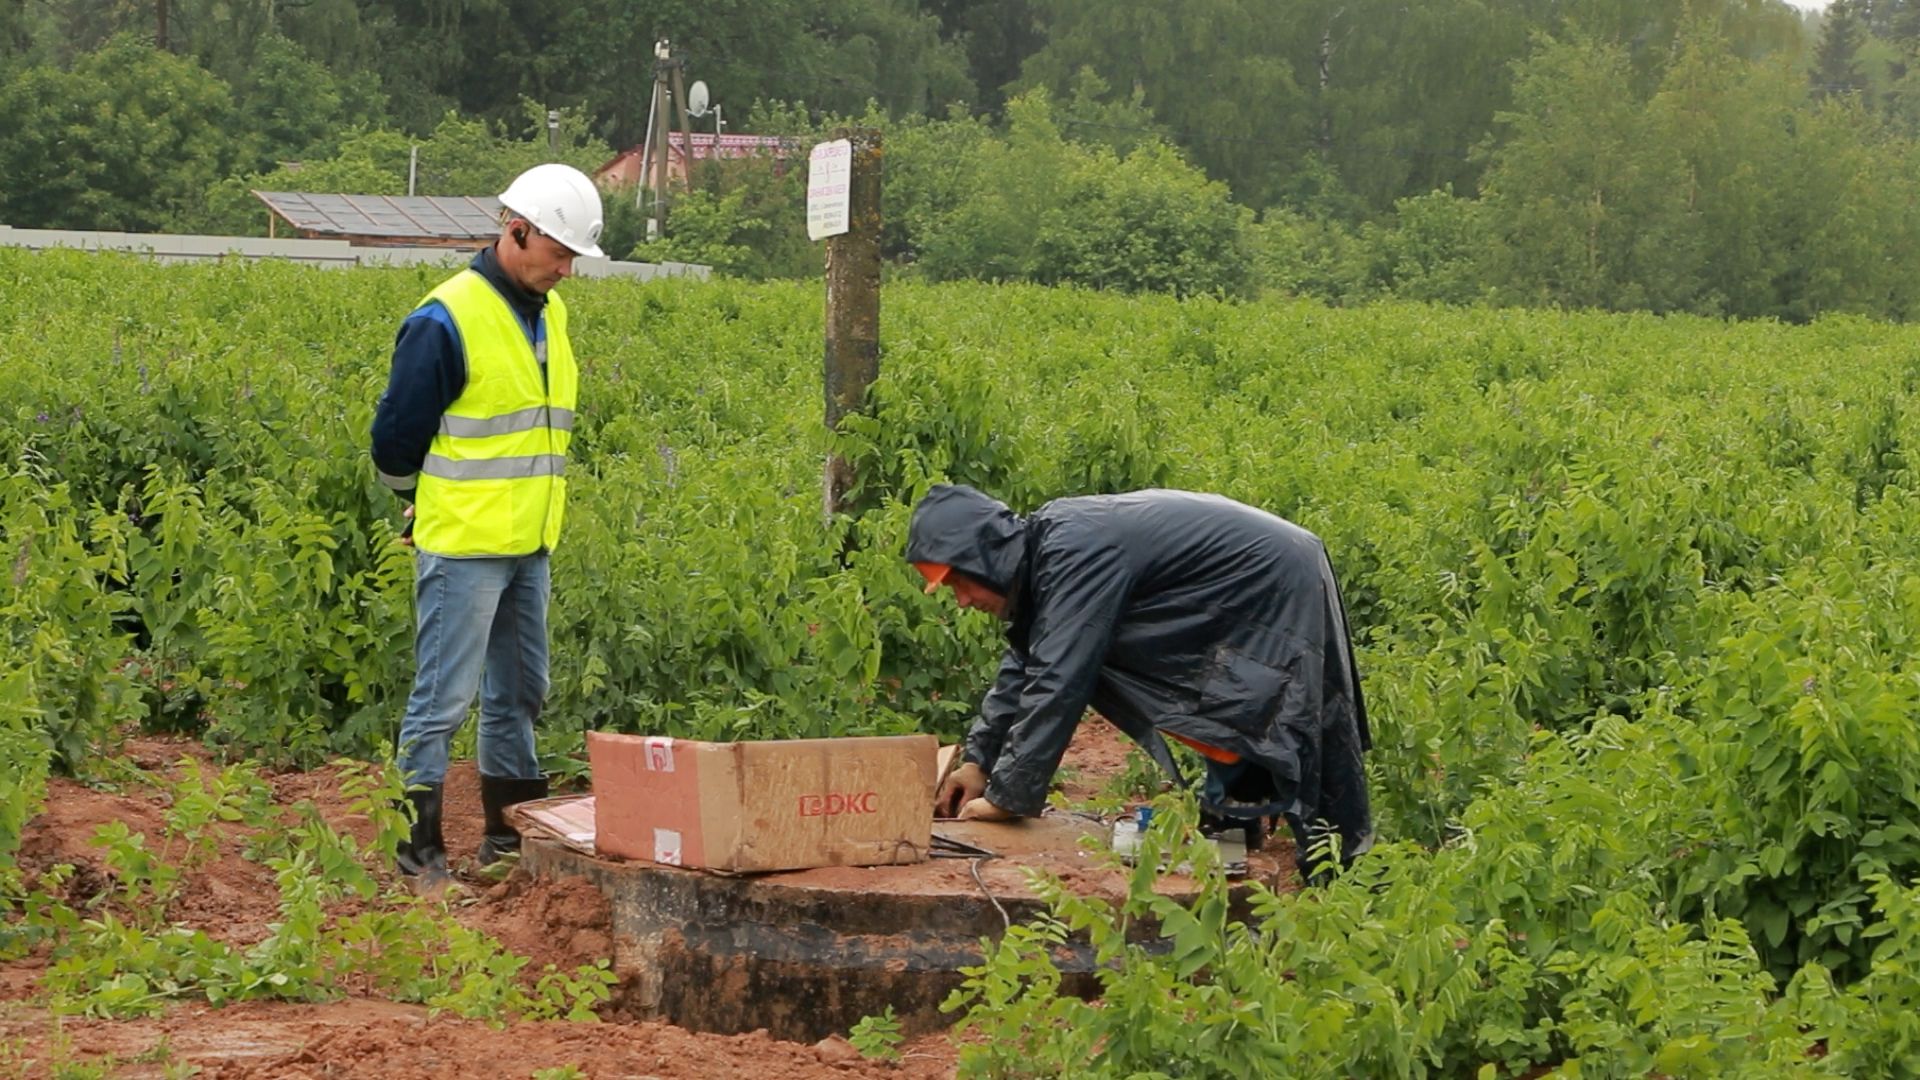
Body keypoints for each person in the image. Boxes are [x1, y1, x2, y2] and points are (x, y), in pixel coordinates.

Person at [910, 484, 1373, 875]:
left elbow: (1058, 678)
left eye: (958, 584)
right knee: (1227, 699)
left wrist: (1009, 797)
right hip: (1256, 567)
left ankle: (1343, 871)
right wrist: (979, 761)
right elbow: (1029, 659)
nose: (963, 601)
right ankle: (1235, 828)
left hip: (1269, 575)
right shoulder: (1048, 554)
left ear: (984, 555)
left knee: (1276, 705)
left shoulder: (1071, 552)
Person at [369, 162, 605, 888]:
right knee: (441, 701)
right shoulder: (444, 318)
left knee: (519, 695)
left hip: (529, 544)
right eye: (558, 254)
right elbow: (393, 443)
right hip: (466, 547)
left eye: (572, 258)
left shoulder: (549, 312)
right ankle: (420, 855)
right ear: (516, 231)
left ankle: (508, 844)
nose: (565, 270)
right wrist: (421, 501)